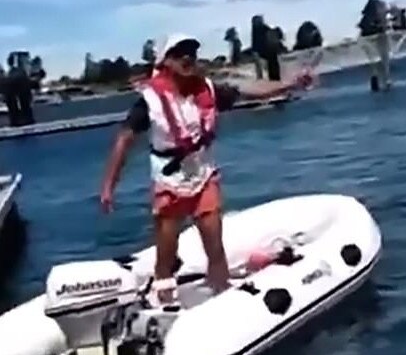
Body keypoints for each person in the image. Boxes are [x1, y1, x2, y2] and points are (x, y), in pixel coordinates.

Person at [100, 33, 313, 307]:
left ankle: (223, 294)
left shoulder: (208, 90)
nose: (187, 57)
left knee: (215, 243)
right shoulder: (150, 101)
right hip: (170, 180)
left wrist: (290, 84)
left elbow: (249, 91)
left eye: (192, 52)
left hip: (203, 175)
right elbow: (124, 139)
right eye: (179, 53)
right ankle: (163, 295)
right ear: (166, 61)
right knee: (166, 253)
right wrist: (109, 185)